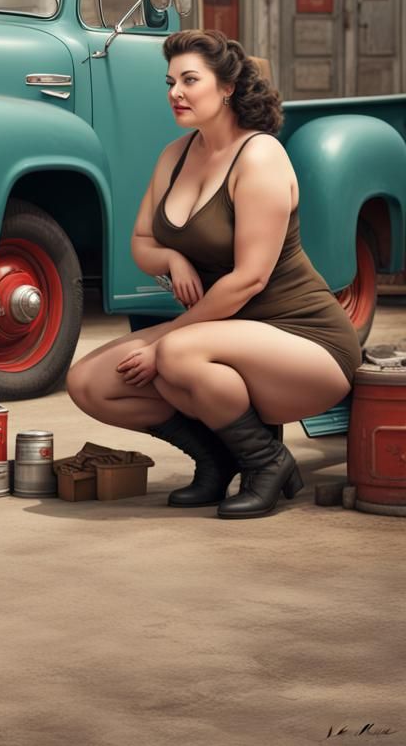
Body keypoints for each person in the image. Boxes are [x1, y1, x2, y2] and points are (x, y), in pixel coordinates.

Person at [66, 29, 362, 519]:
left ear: (226, 87)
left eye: (189, 80)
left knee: (177, 354)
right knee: (90, 382)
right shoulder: (174, 156)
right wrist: (173, 259)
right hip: (218, 331)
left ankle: (267, 462)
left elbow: (249, 279)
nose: (175, 93)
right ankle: (216, 458)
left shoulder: (260, 156)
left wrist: (164, 342)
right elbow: (142, 242)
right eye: (169, 82)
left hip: (304, 338)